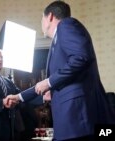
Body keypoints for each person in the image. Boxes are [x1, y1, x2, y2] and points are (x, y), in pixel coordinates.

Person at [8, 1, 115, 140]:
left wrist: (50, 82)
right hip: (73, 121)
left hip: (78, 119)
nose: (41, 22)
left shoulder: (66, 26)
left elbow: (80, 57)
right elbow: (59, 79)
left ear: (50, 16)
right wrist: (18, 97)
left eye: (42, 18)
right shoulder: (58, 40)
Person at [0, 48, 50, 141]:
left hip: (10, 129)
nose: (0, 59)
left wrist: (42, 98)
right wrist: (2, 103)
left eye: (1, 57)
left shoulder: (8, 81)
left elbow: (22, 97)